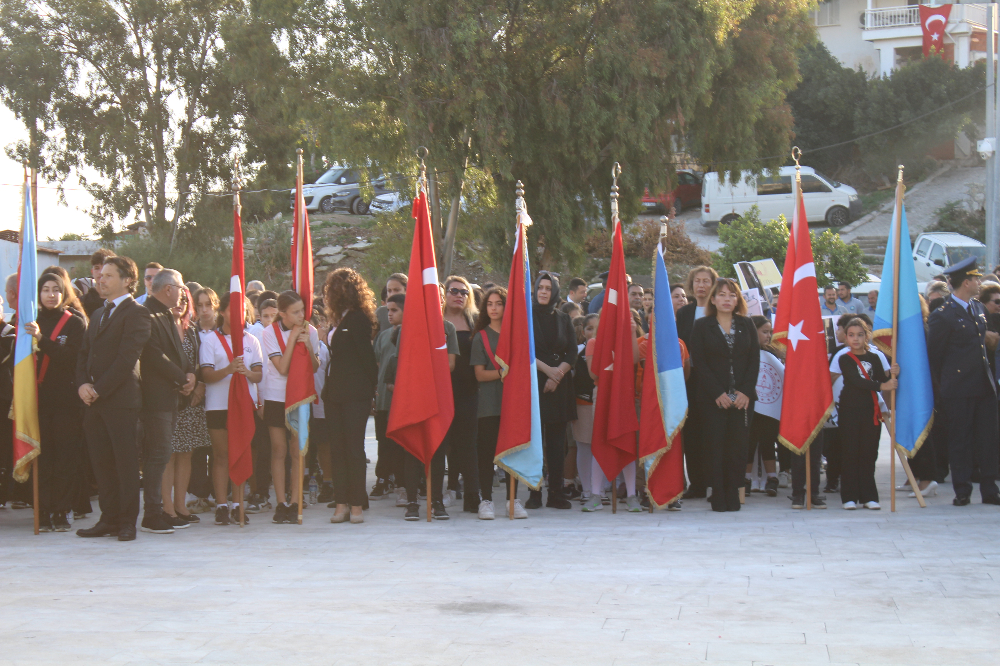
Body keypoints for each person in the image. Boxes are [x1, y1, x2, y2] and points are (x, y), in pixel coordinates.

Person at [75, 256, 151, 542]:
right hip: (94, 403)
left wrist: (98, 389)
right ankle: (108, 518)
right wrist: (83, 384)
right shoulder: (96, 314)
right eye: (100, 275)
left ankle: (126, 522)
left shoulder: (137, 313)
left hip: (120, 401)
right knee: (102, 463)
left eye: (108, 275)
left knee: (125, 464)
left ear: (127, 280)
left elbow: (126, 359)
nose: (100, 279)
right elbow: (84, 354)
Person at [927, 257, 1000, 506]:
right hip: (958, 388)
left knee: (988, 440)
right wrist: (944, 387)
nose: (980, 282)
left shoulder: (978, 308)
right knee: (961, 440)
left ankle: (990, 490)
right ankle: (963, 490)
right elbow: (934, 356)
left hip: (983, 385)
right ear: (966, 282)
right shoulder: (943, 315)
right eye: (976, 279)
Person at [689, 278, 759, 513]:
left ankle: (733, 493)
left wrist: (746, 391)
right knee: (714, 447)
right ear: (713, 299)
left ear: (738, 299)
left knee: (738, 448)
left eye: (731, 295)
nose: (727, 299)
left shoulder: (747, 324)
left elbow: (753, 361)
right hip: (712, 398)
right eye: (721, 295)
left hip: (742, 399)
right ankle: (717, 494)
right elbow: (699, 362)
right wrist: (717, 392)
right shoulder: (702, 326)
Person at [25, 272, 88, 532]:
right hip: (37, 401)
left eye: (56, 290)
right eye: (45, 290)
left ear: (64, 294)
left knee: (65, 456)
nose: (50, 295)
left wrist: (41, 340)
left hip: (66, 401)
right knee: (43, 456)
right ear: (38, 294)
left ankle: (62, 509)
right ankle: (44, 508)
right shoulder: (29, 321)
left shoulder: (74, 323)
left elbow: (70, 358)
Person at [138, 269, 196, 534]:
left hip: (170, 397)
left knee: (161, 455)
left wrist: (191, 373)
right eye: (181, 287)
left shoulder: (166, 314)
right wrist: (182, 378)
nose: (184, 292)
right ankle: (153, 513)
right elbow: (153, 355)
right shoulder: (146, 313)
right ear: (168, 289)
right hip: (155, 399)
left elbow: (177, 352)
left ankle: (162, 511)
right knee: (157, 456)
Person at [200, 292, 263, 525]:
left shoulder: (251, 340)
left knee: (241, 452)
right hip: (218, 405)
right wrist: (228, 370)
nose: (239, 315)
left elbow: (259, 374)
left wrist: (246, 373)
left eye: (243, 311)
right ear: (223, 312)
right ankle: (221, 505)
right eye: (233, 310)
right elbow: (206, 375)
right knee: (221, 455)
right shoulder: (210, 340)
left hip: (242, 405)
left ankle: (238, 504)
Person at [322, 268, 378, 525]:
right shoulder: (336, 320)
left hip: (355, 393)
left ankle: (356, 504)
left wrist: (372, 390)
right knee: (337, 448)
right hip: (334, 393)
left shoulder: (359, 319)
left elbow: (367, 359)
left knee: (354, 449)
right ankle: (341, 503)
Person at [261, 290, 321, 523]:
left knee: (298, 450)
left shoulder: (311, 331)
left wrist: (306, 345)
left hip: (300, 395)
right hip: (276, 396)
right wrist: (294, 336)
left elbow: (315, 367)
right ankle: (280, 502)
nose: (300, 316)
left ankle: (296, 500)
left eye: (302, 311)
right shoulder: (269, 332)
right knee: (279, 450)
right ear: (282, 313)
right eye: (294, 312)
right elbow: (282, 368)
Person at [470, 287, 520, 519]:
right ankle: (486, 500)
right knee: (486, 452)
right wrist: (504, 373)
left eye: (499, 303)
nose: (494, 307)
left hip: (512, 404)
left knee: (514, 453)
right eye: (489, 304)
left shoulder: (516, 336)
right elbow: (480, 374)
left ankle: (513, 500)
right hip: (488, 405)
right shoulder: (480, 337)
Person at [837, 318, 897, 510]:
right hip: (850, 410)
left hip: (871, 411)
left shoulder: (875, 357)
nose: (856, 339)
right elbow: (855, 380)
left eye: (860, 335)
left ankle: (869, 496)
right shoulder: (844, 358)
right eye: (852, 335)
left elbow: (882, 377)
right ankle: (849, 497)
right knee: (849, 452)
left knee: (869, 453)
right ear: (846, 337)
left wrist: (893, 373)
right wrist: (882, 385)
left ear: (866, 336)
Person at [529, 272, 576, 509]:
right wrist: (548, 371)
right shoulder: (526, 317)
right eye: (540, 287)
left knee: (558, 444)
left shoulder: (563, 318)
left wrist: (557, 375)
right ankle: (534, 492)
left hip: (559, 386)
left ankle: (556, 493)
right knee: (535, 442)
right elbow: (524, 350)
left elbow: (571, 352)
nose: (544, 292)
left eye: (548, 288)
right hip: (535, 383)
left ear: (555, 291)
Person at [163, 286, 207, 525]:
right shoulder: (160, 327)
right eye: (176, 298)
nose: (180, 303)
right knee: (168, 455)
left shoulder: (191, 330)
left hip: (190, 401)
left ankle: (180, 505)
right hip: (168, 398)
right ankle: (167, 507)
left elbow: (198, 363)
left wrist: (197, 384)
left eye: (184, 299)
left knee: (186, 454)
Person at [675, 265, 718, 500]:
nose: (701, 286)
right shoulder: (684, 313)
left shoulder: (718, 311)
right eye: (697, 281)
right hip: (689, 380)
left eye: (706, 281)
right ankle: (697, 484)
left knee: (713, 431)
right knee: (691, 433)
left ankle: (714, 483)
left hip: (714, 380)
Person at [441, 276, 480, 512]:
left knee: (468, 445)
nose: (459, 295)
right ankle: (446, 491)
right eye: (453, 290)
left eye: (464, 292)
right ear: (444, 294)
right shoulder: (435, 321)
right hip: (442, 391)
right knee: (445, 444)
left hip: (469, 392)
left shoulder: (475, 322)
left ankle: (472, 496)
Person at [374, 294, 405, 507]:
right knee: (383, 442)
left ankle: (404, 482)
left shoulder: (412, 334)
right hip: (384, 399)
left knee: (401, 443)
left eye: (394, 310)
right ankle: (383, 478)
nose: (390, 314)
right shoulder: (384, 336)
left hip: (402, 400)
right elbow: (378, 363)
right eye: (388, 310)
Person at [745, 316, 781, 498]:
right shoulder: (743, 352)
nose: (768, 336)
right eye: (764, 332)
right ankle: (746, 479)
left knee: (768, 441)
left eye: (770, 332)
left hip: (769, 408)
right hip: (749, 405)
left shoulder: (774, 353)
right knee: (749, 442)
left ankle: (772, 478)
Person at [573, 314, 600, 508]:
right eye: (590, 329)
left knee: (601, 447)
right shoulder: (577, 353)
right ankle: (587, 489)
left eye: (598, 328)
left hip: (602, 403)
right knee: (584, 446)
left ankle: (602, 488)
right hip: (583, 404)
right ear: (583, 332)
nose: (594, 332)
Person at [80, 249, 116, 318]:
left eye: (105, 268)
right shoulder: (83, 302)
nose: (100, 272)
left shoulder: (120, 301)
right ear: (92, 271)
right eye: (97, 268)